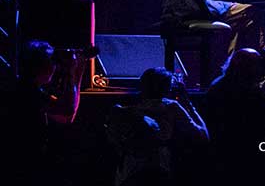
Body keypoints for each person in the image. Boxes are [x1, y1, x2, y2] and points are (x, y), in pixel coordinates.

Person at [106, 67, 208, 186]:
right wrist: (188, 104)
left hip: (128, 171)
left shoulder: (125, 109)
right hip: (158, 169)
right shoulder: (171, 107)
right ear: (167, 88)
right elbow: (203, 134)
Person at [204, 47, 265, 177]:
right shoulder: (241, 93)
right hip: (246, 160)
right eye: (257, 64)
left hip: (224, 156)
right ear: (246, 69)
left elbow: (258, 99)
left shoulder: (222, 84)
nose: (262, 67)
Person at [3, 40, 86, 168]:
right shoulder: (28, 92)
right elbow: (67, 110)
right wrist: (71, 72)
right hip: (22, 163)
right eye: (51, 61)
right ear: (39, 65)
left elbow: (66, 117)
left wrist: (77, 73)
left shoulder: (28, 88)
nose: (55, 66)